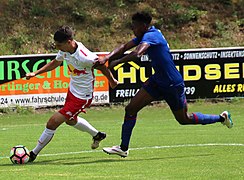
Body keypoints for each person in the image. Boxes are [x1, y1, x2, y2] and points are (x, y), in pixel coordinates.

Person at [100, 12, 233, 157]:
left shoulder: (151, 36)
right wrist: (106, 58)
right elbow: (125, 46)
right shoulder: (146, 34)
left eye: (134, 26)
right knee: (131, 109)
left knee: (184, 119)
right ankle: (123, 148)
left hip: (172, 83)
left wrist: (117, 62)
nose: (133, 29)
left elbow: (137, 53)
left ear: (144, 26)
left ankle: (221, 118)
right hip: (158, 80)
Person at [25, 25, 118, 162]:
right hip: (72, 91)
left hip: (82, 96)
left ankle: (32, 154)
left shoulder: (86, 57)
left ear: (69, 42)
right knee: (70, 120)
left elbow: (102, 67)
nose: (57, 47)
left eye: (59, 45)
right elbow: (56, 62)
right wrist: (35, 73)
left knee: (52, 123)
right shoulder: (65, 50)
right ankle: (97, 135)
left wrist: (112, 81)